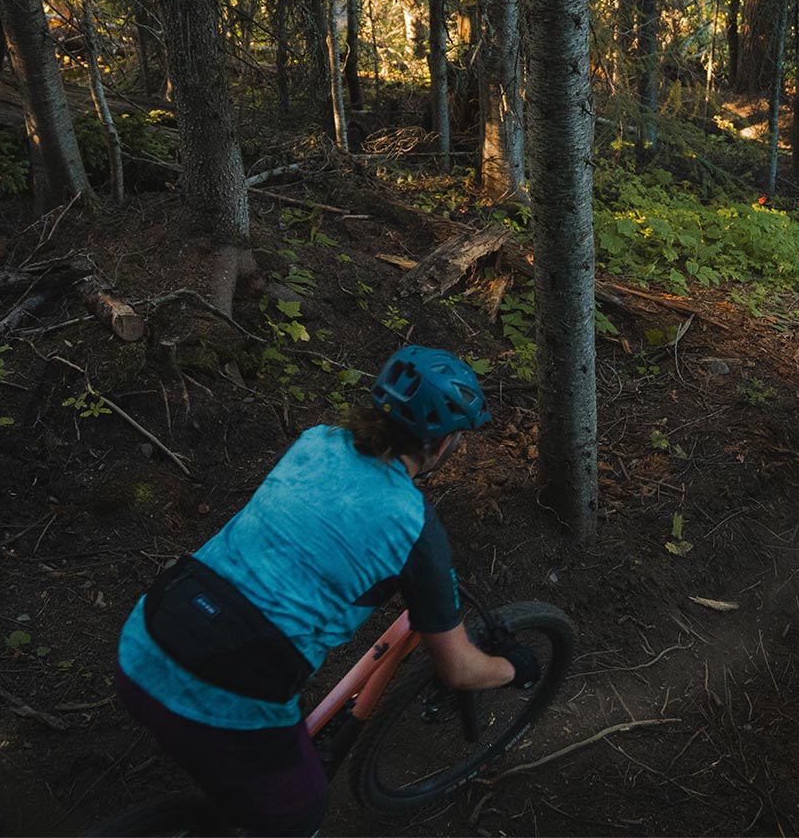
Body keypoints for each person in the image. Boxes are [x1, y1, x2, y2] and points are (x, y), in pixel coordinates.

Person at [113, 345, 537, 836]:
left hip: (147, 637)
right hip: (227, 694)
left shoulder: (315, 441)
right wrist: (514, 670)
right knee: (302, 816)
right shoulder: (413, 524)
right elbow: (459, 670)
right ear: (441, 444)